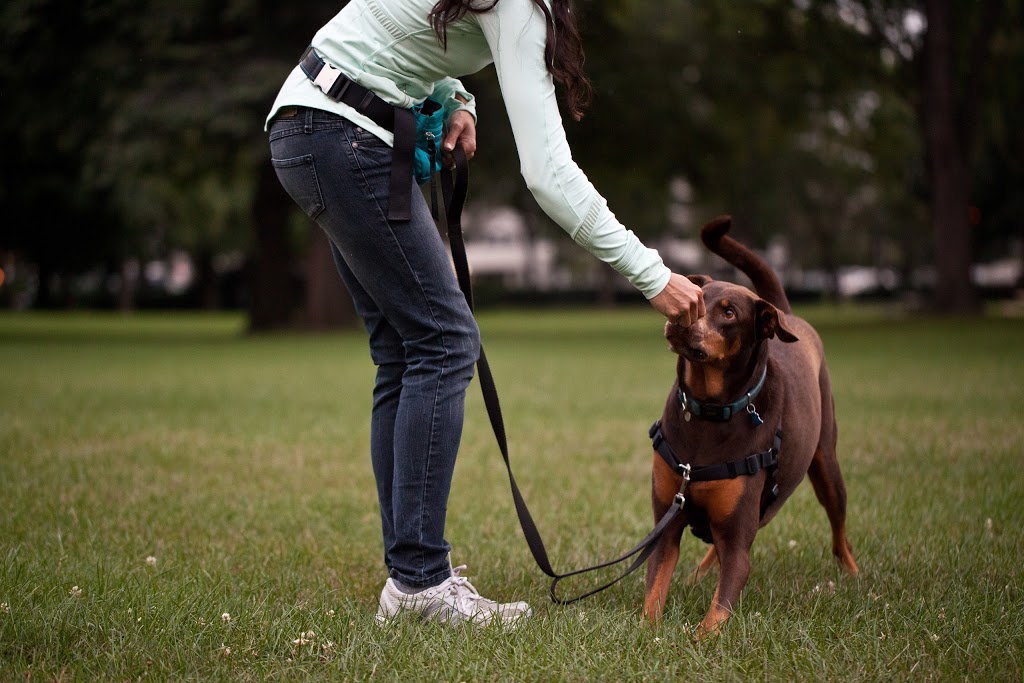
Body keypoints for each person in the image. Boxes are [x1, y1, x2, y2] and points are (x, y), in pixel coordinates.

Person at [266, 0, 705, 626]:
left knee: (404, 349)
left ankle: (408, 579)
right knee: (445, 341)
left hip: (310, 125)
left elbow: (396, 31)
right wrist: (652, 275)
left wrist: (457, 96)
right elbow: (550, 174)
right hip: (343, 135)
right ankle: (420, 583)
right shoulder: (519, 5)